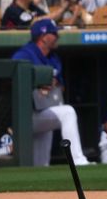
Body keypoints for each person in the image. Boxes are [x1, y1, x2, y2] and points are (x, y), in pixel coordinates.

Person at [12, 19, 90, 166]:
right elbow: (12, 77)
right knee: (68, 112)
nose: (57, 36)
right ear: (43, 36)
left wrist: (51, 83)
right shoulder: (25, 54)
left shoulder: (53, 58)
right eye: (54, 33)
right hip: (26, 115)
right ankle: (78, 160)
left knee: (41, 164)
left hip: (44, 110)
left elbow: (60, 84)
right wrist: (36, 83)